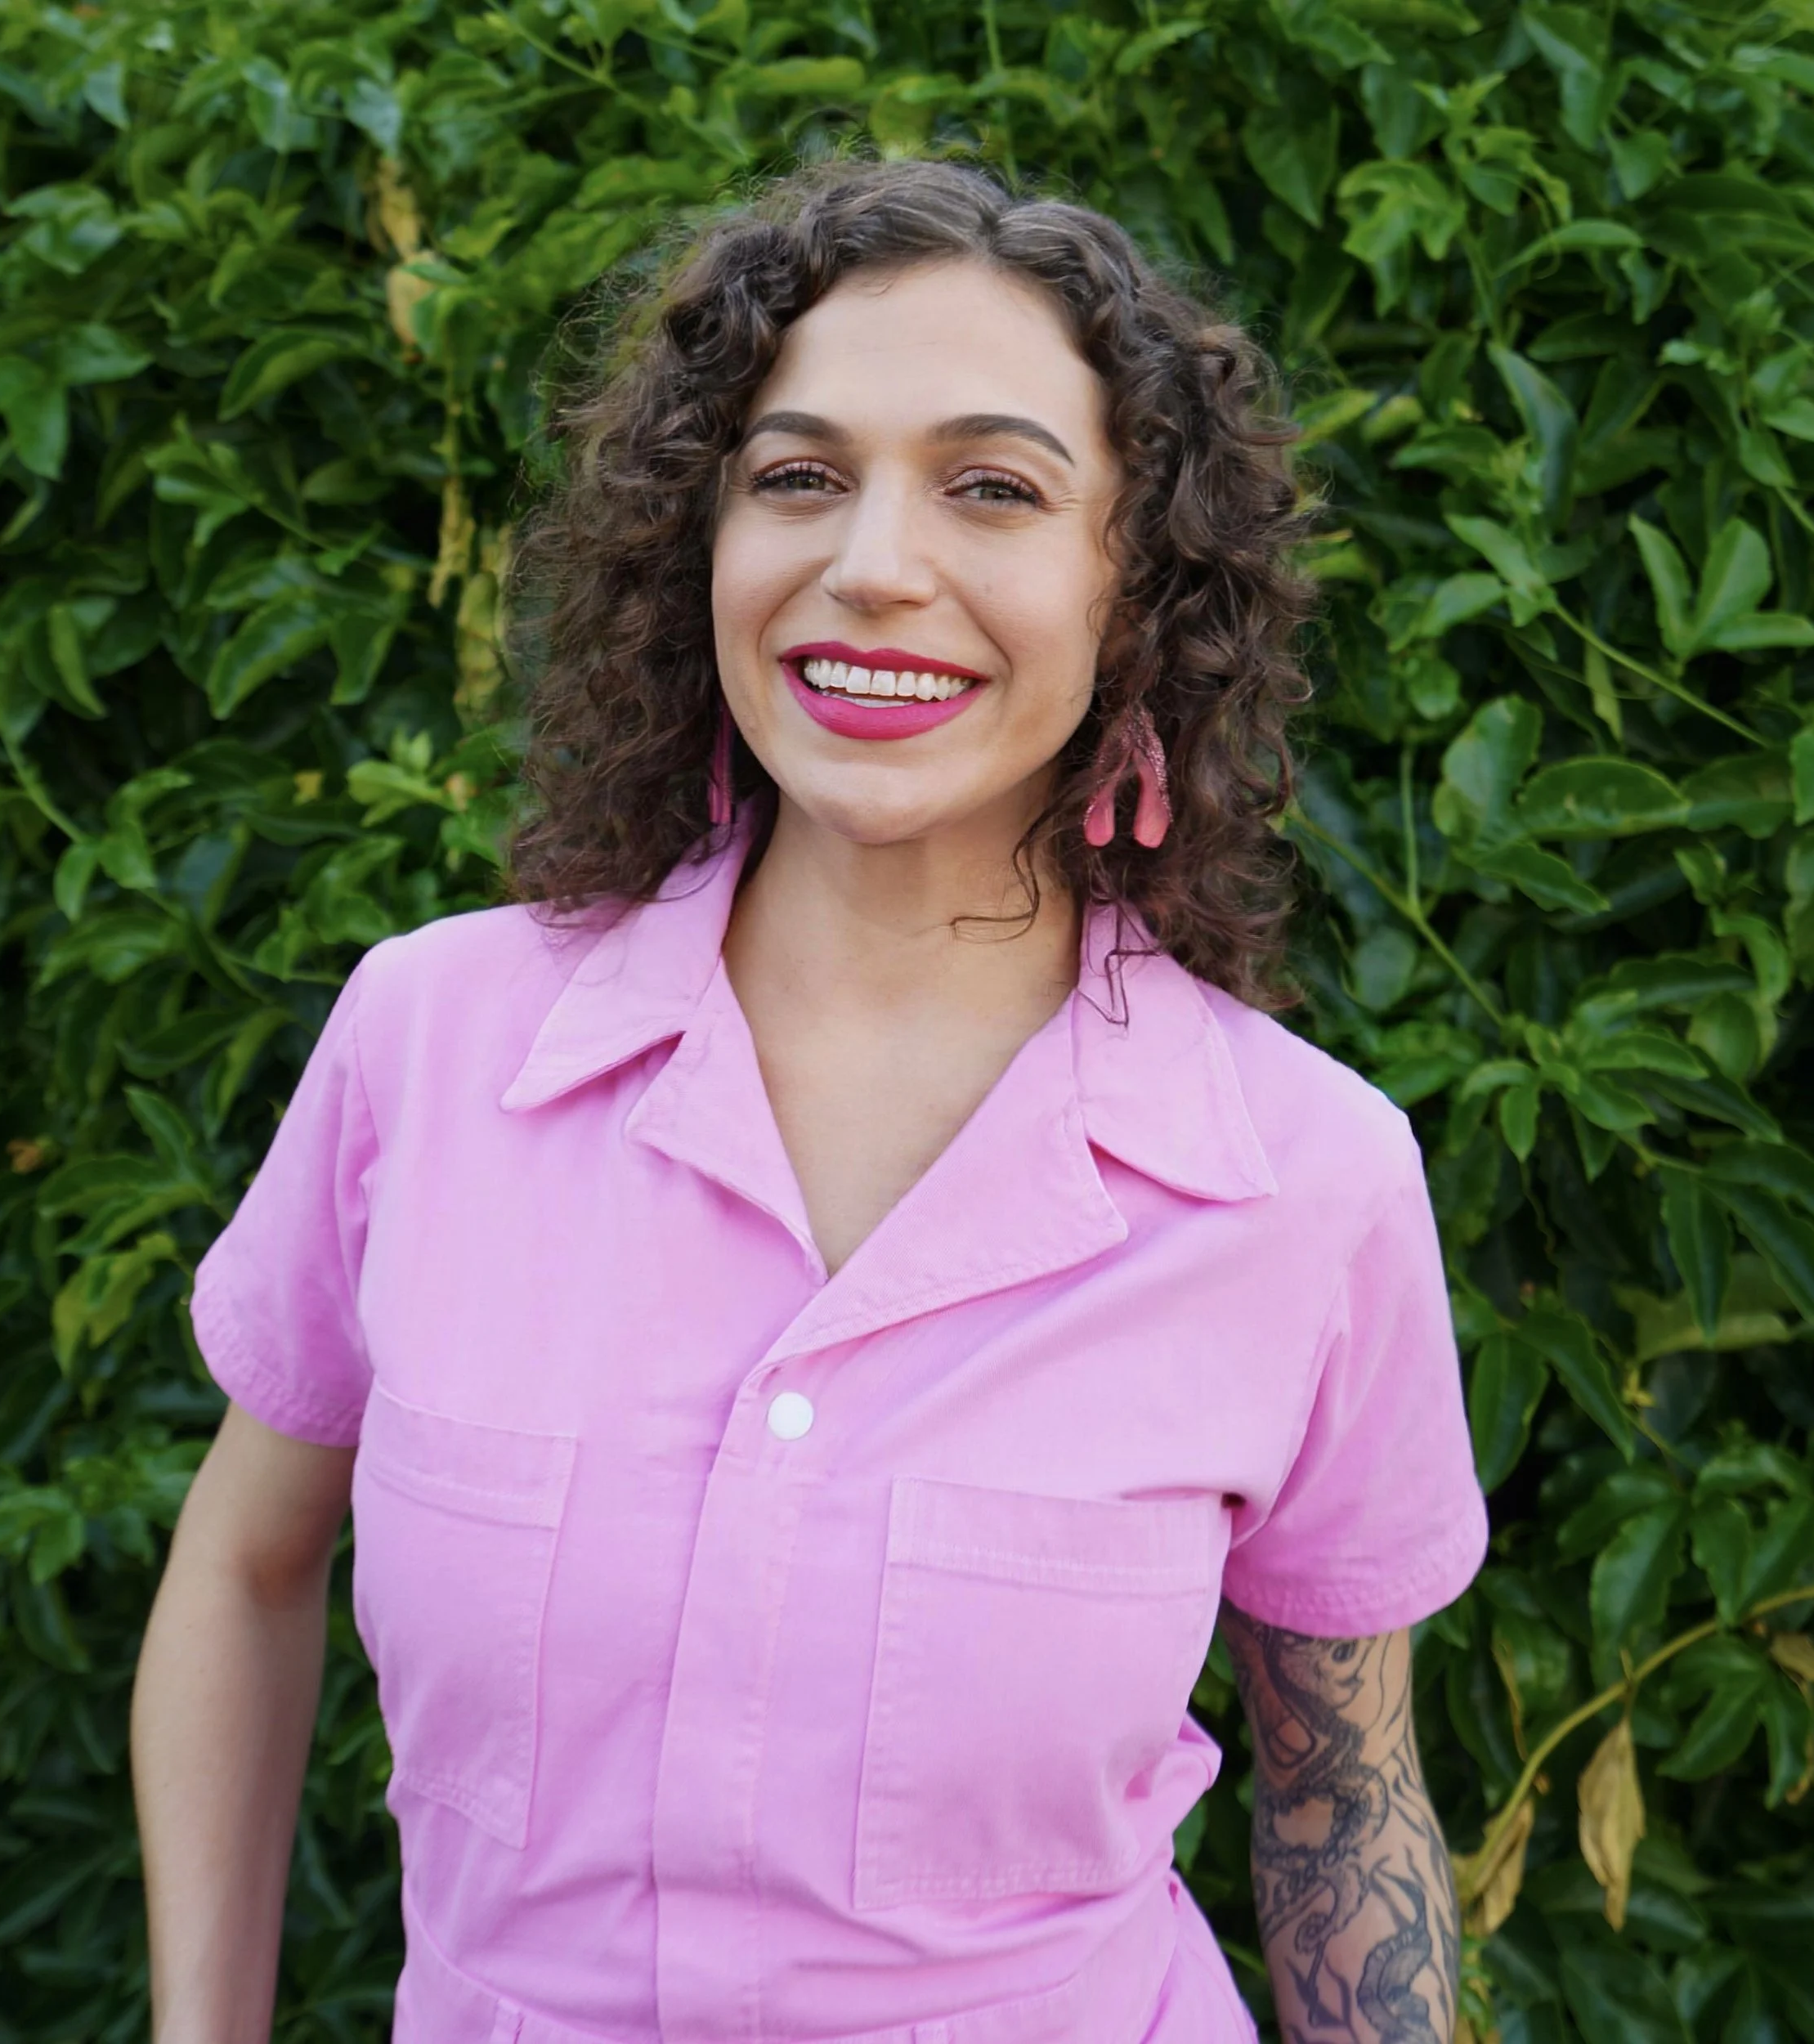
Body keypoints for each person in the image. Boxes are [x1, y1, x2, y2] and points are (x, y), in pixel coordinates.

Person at [132, 159, 1487, 2044]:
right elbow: (248, 1556)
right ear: (696, 541)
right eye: (795, 474)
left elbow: (1340, 1793)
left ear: (1138, 584)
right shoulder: (426, 1040)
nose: (870, 562)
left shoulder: (1307, 1178)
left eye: (992, 487)